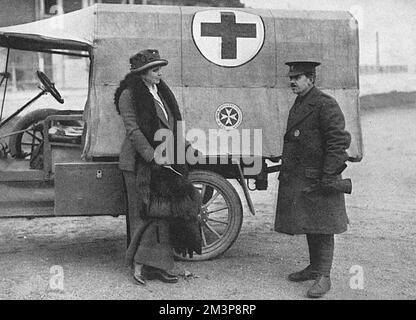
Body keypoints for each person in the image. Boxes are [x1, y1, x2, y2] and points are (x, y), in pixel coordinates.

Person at [114, 49, 202, 286]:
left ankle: (159, 266)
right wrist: (152, 155)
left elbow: (171, 128)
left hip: (164, 161)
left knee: (162, 214)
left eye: (159, 69)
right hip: (138, 163)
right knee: (142, 216)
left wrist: (186, 148)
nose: (160, 73)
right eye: (155, 70)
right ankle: (139, 265)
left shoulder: (160, 92)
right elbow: (133, 130)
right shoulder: (128, 95)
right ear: (142, 74)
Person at [274, 61, 352, 298]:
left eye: (297, 77)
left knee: (324, 227)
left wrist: (328, 175)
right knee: (310, 223)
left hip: (320, 176)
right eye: (291, 77)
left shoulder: (325, 104)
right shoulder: (301, 103)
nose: (292, 81)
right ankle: (314, 267)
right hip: (302, 176)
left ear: (311, 79)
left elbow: (339, 141)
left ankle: (324, 276)